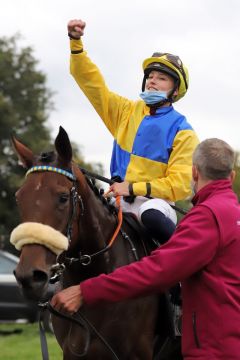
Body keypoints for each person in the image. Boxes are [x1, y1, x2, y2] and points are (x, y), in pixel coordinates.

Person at [51, 138, 240, 359]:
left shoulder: (207, 216)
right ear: (232, 176)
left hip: (214, 351)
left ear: (195, 173)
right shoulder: (233, 213)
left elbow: (157, 270)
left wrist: (85, 290)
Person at [67, 19, 199, 246]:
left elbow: (179, 184)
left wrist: (132, 188)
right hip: (117, 199)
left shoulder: (183, 132)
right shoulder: (125, 111)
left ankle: (182, 267)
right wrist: (76, 44)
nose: (152, 81)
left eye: (162, 78)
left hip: (155, 204)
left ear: (175, 90)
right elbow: (91, 83)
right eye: (150, 76)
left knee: (152, 217)